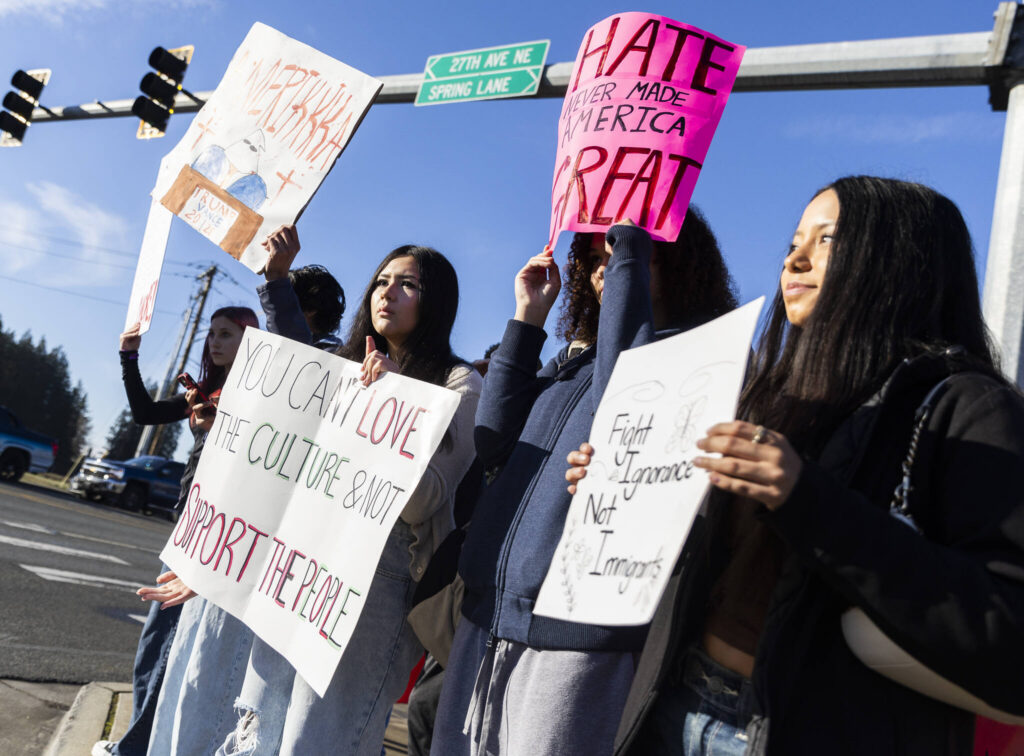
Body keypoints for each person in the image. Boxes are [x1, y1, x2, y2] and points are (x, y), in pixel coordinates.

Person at [568, 177, 1024, 755]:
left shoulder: (968, 408)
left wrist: (807, 499)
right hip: (673, 705)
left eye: (827, 240)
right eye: (792, 243)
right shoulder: (762, 392)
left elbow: (1007, 634)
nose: (796, 259)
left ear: (899, 260)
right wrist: (624, 490)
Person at [432, 210, 737, 756]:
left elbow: (622, 411)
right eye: (595, 259)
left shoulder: (697, 360)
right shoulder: (576, 361)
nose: (605, 270)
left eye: (621, 255)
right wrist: (527, 319)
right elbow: (495, 439)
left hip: (575, 641)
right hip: (489, 616)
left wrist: (631, 246)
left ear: (669, 260)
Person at [218, 244, 482, 756]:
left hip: (377, 585)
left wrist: (385, 401)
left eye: (408, 284)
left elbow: (425, 500)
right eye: (382, 280)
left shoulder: (459, 382)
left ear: (437, 302)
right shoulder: (340, 366)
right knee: (260, 727)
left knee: (320, 738)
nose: (388, 292)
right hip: (301, 568)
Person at [142, 225, 347, 756]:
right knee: (186, 683)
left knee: (220, 696)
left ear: (307, 312)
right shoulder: (271, 366)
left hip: (250, 557)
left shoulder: (323, 360)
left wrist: (276, 279)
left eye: (282, 305)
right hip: (216, 541)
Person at [93, 306, 259, 756]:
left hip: (217, 535)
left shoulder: (261, 396)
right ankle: (145, 743)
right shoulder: (204, 392)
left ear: (253, 340)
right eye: (212, 334)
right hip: (187, 527)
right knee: (162, 648)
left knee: (165, 648)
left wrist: (221, 423)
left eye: (227, 334)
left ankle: (136, 749)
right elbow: (145, 412)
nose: (214, 342)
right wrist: (129, 358)